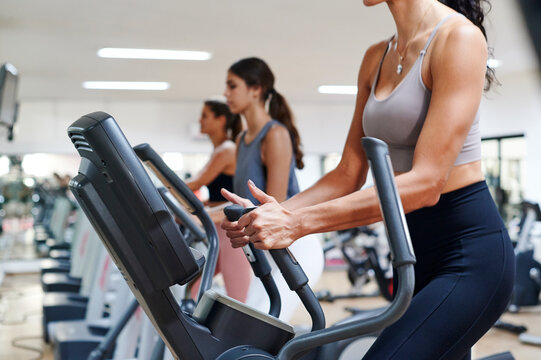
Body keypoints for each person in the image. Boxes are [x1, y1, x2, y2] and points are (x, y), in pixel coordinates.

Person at [221, 1, 515, 359]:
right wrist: (271, 212)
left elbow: (426, 184)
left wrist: (297, 223)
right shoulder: (377, 56)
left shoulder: (459, 38)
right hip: (413, 252)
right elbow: (348, 172)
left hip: (470, 255)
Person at [223, 57, 324, 321]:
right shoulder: (242, 140)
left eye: (232, 86)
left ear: (256, 90)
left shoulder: (275, 134)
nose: (226, 93)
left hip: (296, 248)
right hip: (265, 247)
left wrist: (202, 214)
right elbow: (239, 203)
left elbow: (273, 206)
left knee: (260, 324)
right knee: (249, 324)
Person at [185, 99, 252, 302]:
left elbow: (194, 184)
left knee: (238, 296)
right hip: (219, 226)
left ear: (221, 119)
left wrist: (151, 187)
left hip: (230, 226)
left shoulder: (227, 149)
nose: (200, 120)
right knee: (194, 288)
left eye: (205, 115)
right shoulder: (219, 150)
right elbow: (215, 198)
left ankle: (242, 333)